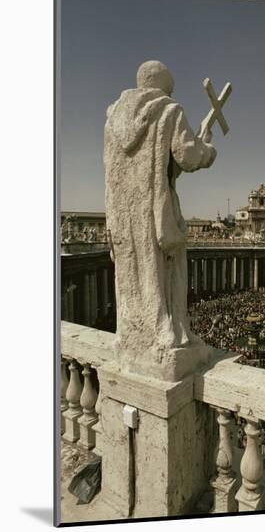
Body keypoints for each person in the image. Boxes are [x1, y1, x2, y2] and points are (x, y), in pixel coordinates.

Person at [104, 60, 217, 372]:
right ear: (165, 85)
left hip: (123, 215)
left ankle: (133, 336)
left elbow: (154, 164)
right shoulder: (169, 110)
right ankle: (168, 336)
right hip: (155, 213)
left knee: (132, 280)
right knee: (165, 276)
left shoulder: (112, 119)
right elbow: (188, 156)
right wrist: (208, 149)